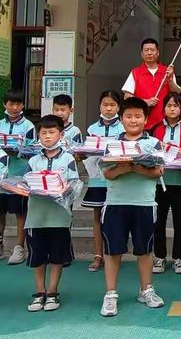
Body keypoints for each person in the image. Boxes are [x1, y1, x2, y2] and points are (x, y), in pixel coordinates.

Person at [100, 97, 164, 317]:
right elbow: (107, 173)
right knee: (112, 251)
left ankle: (146, 290)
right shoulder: (113, 144)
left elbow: (158, 171)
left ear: (146, 119)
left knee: (144, 250)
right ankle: (110, 295)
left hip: (144, 204)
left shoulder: (153, 144)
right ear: (121, 119)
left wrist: (136, 168)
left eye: (138, 116)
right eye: (128, 116)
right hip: (115, 204)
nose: (133, 120)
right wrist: (124, 168)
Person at [24, 115, 79, 312]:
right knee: (37, 255)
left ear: (61, 134)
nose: (47, 136)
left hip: (59, 216)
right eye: (44, 133)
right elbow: (25, 183)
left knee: (57, 256)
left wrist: (64, 189)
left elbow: (74, 183)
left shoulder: (68, 158)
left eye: (52, 132)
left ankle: (53, 292)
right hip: (36, 216)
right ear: (38, 135)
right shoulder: (32, 160)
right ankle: (39, 292)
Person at [151, 93, 181, 275]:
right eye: (168, 105)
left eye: (175, 105)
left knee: (180, 220)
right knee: (158, 221)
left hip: (180, 181)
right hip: (159, 181)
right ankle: (160, 257)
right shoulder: (155, 129)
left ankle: (178, 258)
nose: (172, 108)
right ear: (163, 108)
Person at [81, 90, 124, 273]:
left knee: (116, 218)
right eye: (105, 105)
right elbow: (86, 150)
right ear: (99, 106)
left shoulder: (123, 128)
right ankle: (98, 255)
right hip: (97, 179)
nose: (108, 109)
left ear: (118, 107)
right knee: (97, 218)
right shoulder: (92, 129)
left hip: (117, 178)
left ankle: (114, 254)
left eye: (112, 105)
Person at [0, 89, 36, 265]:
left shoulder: (28, 126)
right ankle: (0, 246)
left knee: (20, 213)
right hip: (1, 175)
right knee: (1, 213)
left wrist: (18, 151)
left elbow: (33, 151)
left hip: (20, 176)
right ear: (4, 104)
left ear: (23, 105)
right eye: (11, 103)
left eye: (18, 104)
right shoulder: (0, 124)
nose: (14, 107)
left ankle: (19, 248)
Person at [122, 38, 181, 130]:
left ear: (158, 53)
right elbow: (127, 97)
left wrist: (170, 80)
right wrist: (145, 102)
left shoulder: (167, 71)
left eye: (152, 50)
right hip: (141, 123)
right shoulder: (135, 72)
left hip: (164, 124)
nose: (149, 53)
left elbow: (177, 93)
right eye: (146, 50)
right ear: (142, 54)